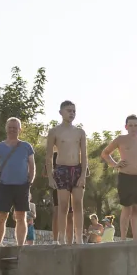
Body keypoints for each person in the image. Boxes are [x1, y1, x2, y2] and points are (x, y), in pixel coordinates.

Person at [0, 117, 36, 246]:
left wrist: (30, 181)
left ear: (20, 129)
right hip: (4, 186)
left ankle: (20, 247)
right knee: (1, 217)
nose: (12, 129)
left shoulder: (26, 146)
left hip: (22, 186)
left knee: (21, 217)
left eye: (15, 127)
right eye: (10, 127)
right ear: (6, 128)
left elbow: (32, 165)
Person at [101, 115, 137, 241]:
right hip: (125, 177)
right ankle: (123, 239)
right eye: (130, 125)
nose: (133, 128)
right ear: (126, 127)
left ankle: (136, 239)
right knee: (126, 208)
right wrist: (115, 164)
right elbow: (105, 153)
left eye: (136, 125)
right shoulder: (120, 139)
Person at [46, 101, 89, 244]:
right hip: (61, 169)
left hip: (76, 169)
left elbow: (84, 155)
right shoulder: (54, 131)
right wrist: (50, 176)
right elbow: (49, 156)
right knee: (63, 205)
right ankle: (61, 238)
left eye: (74, 111)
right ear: (61, 112)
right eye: (68, 110)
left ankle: (78, 238)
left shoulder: (80, 132)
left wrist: (83, 174)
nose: (71, 113)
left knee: (78, 203)